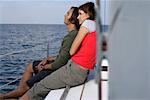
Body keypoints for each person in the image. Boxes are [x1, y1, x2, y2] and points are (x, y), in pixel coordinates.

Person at [21, 2, 96, 100]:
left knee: (39, 87)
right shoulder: (96, 26)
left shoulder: (87, 23)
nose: (78, 17)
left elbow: (72, 51)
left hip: (74, 71)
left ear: (88, 15)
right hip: (79, 70)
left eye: (80, 14)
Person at [0, 7, 79, 99]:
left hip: (58, 69)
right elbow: (64, 55)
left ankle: (6, 96)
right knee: (31, 66)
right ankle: (20, 91)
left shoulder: (71, 37)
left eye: (68, 13)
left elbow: (61, 63)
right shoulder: (73, 34)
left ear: (73, 19)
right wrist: (48, 59)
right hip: (59, 64)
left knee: (29, 82)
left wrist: (43, 67)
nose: (65, 15)